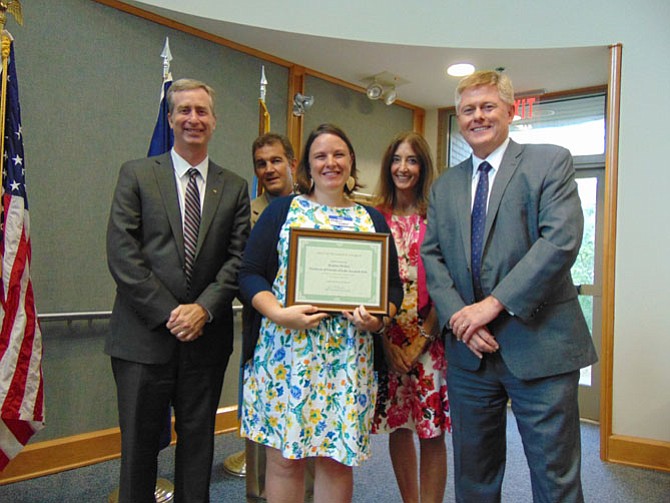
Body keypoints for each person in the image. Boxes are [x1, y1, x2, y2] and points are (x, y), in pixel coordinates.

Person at [421, 70, 598, 503]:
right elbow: (433, 256)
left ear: (510, 111)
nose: (477, 116)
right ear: (459, 118)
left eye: (487, 107)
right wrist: (462, 319)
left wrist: (490, 306)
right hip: (470, 357)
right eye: (468, 110)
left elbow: (559, 241)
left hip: (541, 349)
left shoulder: (549, 161)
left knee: (554, 477)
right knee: (474, 478)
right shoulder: (445, 186)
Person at [239, 123, 403, 503]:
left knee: (336, 461)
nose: (331, 162)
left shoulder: (371, 220)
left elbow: (392, 287)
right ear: (307, 167)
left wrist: (378, 320)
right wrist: (279, 314)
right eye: (321, 156)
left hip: (347, 359)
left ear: (351, 162)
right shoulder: (282, 210)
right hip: (286, 354)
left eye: (339, 154)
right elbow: (248, 275)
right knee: (284, 462)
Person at [106, 78, 250, 503]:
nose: (193, 118)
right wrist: (173, 313)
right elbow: (122, 253)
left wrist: (202, 310)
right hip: (141, 340)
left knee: (198, 447)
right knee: (137, 450)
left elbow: (237, 260)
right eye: (184, 110)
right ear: (170, 119)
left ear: (214, 121)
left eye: (201, 111)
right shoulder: (136, 174)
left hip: (206, 341)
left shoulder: (236, 186)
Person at [372, 131, 450, 503]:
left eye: (412, 160)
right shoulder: (373, 217)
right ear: (389, 167)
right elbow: (368, 286)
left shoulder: (436, 217)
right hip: (387, 338)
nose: (403, 168)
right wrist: (387, 345)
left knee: (431, 431)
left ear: (423, 167)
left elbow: (449, 282)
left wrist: (421, 339)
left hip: (429, 341)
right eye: (397, 160)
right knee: (398, 426)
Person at [243, 132, 315, 501]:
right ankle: (260, 495)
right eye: (261, 163)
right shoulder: (248, 211)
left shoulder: (319, 204)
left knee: (312, 425)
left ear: (291, 163)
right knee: (266, 431)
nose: (269, 169)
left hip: (315, 335)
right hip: (266, 331)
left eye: (275, 161)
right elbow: (244, 269)